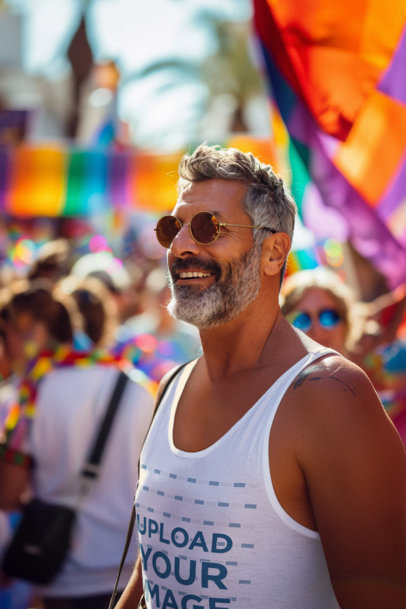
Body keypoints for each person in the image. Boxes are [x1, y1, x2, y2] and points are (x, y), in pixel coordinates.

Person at [116, 144, 406, 609]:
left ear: (273, 253)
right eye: (174, 227)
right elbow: (153, 567)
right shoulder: (173, 386)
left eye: (209, 227)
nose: (183, 245)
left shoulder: (330, 396)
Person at [0, 280, 154, 609]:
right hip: (132, 577)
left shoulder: (32, 394)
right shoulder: (140, 389)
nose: (4, 347)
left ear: (32, 332)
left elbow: (8, 494)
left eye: (5, 333)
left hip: (62, 575)